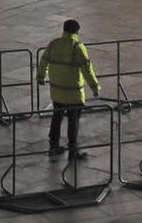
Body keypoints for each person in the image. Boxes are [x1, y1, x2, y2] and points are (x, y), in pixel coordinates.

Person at [39, 19, 101, 157]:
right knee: (73, 121)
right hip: (73, 92)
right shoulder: (77, 47)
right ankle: (73, 149)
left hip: (57, 90)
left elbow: (44, 60)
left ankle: (53, 145)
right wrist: (94, 87)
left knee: (57, 116)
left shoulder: (54, 44)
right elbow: (87, 69)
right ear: (77, 31)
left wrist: (41, 76)